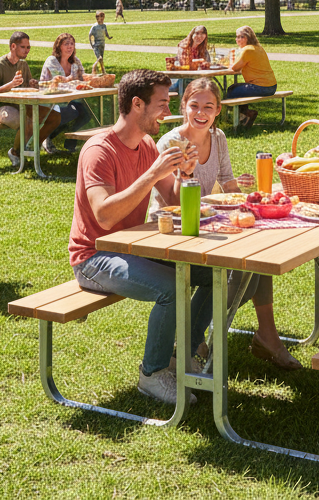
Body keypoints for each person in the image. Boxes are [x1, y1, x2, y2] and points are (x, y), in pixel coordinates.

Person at [69, 69, 214, 406]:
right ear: (137, 104)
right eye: (162, 104)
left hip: (133, 247)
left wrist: (185, 173)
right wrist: (153, 173)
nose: (168, 112)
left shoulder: (147, 145)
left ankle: (185, 354)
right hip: (93, 256)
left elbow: (175, 200)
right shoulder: (98, 151)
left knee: (214, 271)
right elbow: (104, 215)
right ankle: (152, 373)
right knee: (172, 288)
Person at [154, 79, 301, 370]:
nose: (200, 112)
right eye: (194, 105)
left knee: (258, 260)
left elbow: (228, 182)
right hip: (174, 230)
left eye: (208, 107)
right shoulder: (170, 143)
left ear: (218, 109)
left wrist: (242, 186)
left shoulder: (217, 137)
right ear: (183, 106)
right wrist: (187, 173)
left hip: (209, 223)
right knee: (239, 271)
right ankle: (191, 340)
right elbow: (174, 201)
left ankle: (257, 335)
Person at [0, 31, 61, 168]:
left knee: (54, 117)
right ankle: (15, 152)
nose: (27, 50)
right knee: (25, 121)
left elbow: (26, 87)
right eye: (23, 47)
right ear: (13, 46)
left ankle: (31, 148)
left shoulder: (23, 65)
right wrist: (10, 85)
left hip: (20, 103)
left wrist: (33, 84)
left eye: (28, 47)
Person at [39, 33, 93, 154]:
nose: (70, 47)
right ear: (59, 47)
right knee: (72, 112)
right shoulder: (52, 61)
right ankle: (46, 136)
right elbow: (60, 83)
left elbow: (83, 78)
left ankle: (70, 144)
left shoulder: (75, 61)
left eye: (72, 44)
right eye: (66, 44)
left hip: (69, 98)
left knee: (85, 115)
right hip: (50, 99)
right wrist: (73, 80)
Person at [224, 25, 277, 129]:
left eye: (241, 37)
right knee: (235, 88)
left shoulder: (248, 50)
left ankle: (244, 115)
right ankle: (245, 116)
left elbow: (234, 68)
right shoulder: (259, 48)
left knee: (231, 92)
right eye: (237, 37)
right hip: (272, 86)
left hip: (261, 87)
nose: (238, 40)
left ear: (248, 37)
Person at [171, 24, 209, 100]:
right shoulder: (183, 46)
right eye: (197, 33)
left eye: (202, 34)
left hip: (196, 76)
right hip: (180, 79)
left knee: (207, 83)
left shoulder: (202, 49)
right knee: (200, 83)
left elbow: (207, 63)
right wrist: (199, 62)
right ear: (192, 34)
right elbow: (185, 64)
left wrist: (205, 64)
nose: (200, 37)